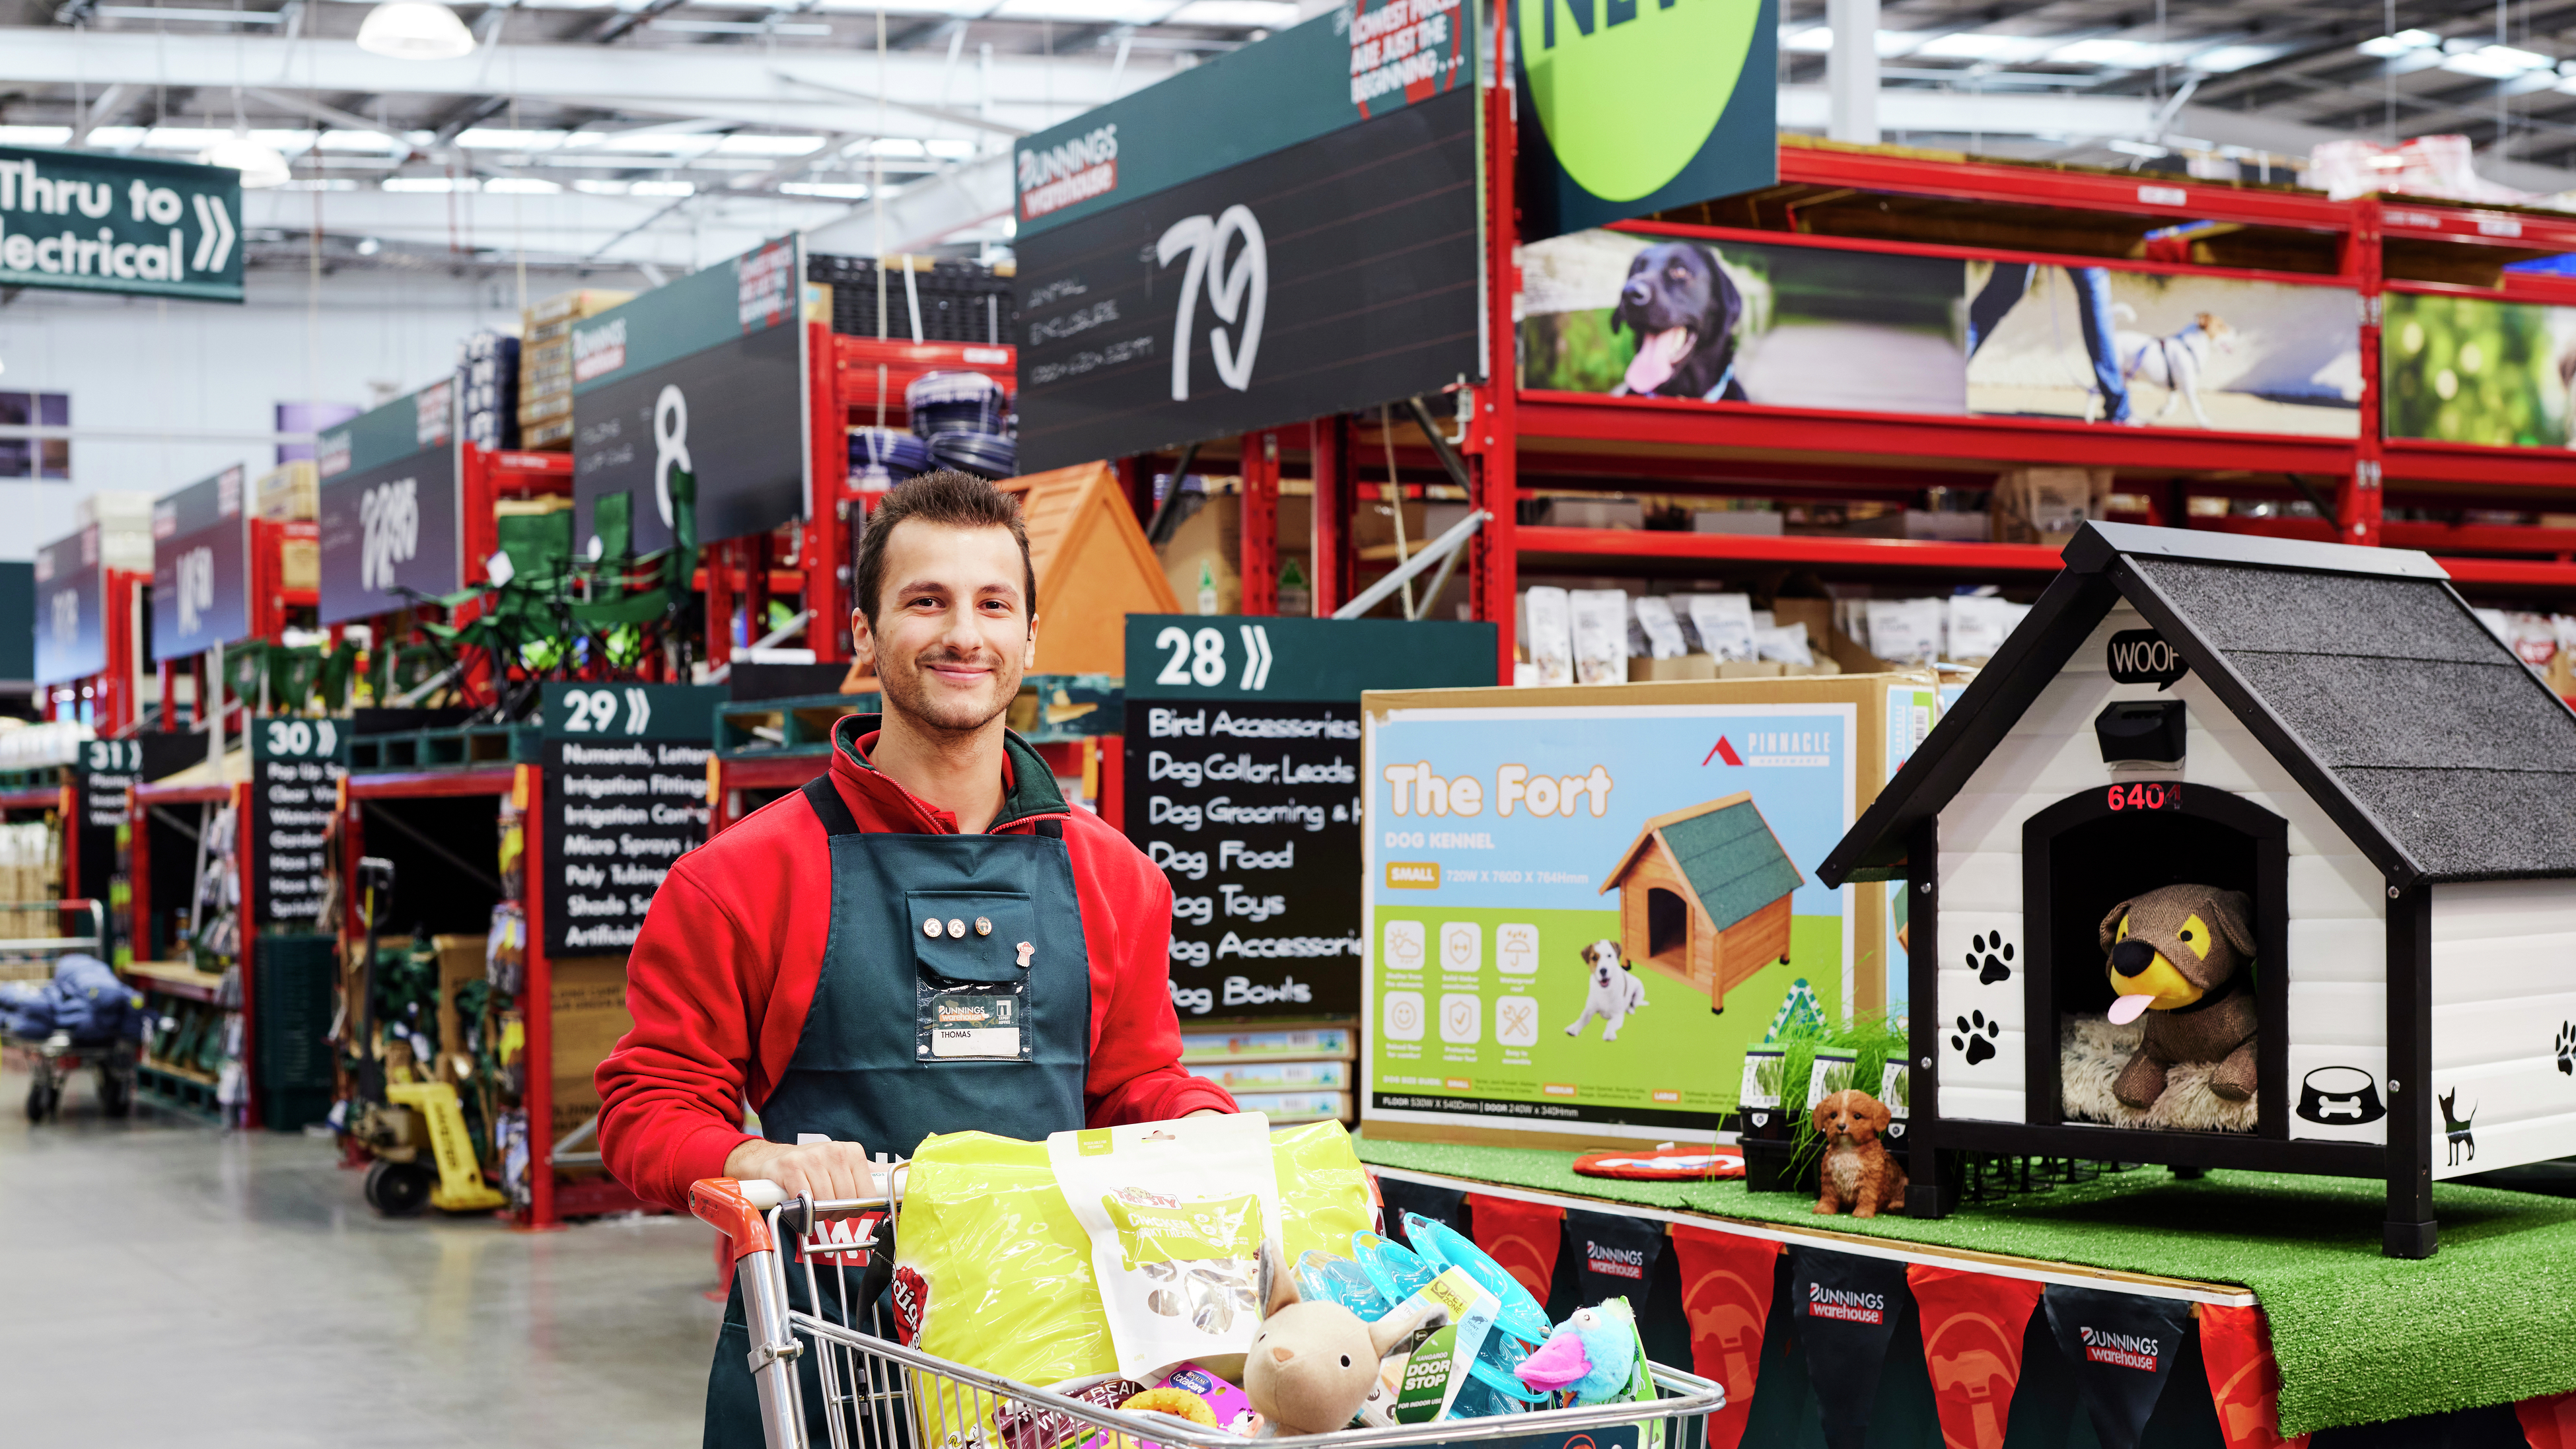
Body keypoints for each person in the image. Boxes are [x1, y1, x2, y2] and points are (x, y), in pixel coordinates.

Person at [594, 469, 1235, 1446]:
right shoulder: (740, 880)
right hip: (822, 1359)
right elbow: (648, 1103)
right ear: (864, 634)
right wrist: (751, 1154)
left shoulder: (1119, 880)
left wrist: (1213, 1133)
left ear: (1030, 636)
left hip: (1058, 1366)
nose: (963, 634)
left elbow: (1135, 1084)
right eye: (925, 600)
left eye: (993, 604)